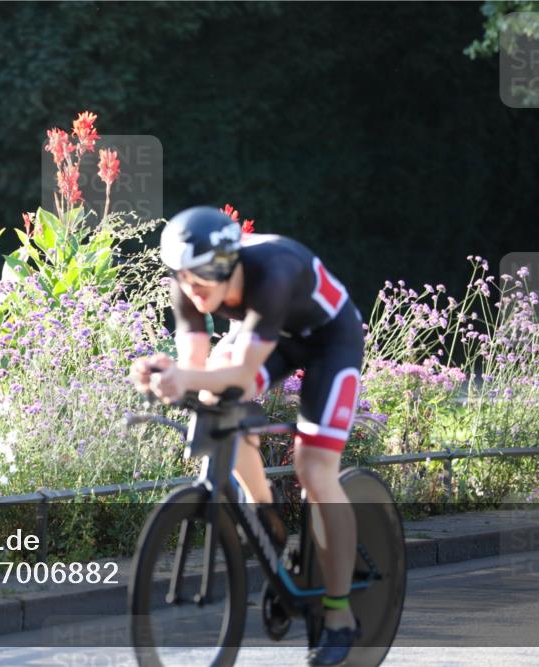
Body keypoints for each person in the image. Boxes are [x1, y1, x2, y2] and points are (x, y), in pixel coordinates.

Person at [130, 206, 365, 666]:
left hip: (329, 341)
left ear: (225, 269)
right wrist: (164, 373)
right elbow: (197, 366)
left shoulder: (271, 272)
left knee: (315, 471)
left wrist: (187, 375)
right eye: (183, 281)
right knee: (216, 400)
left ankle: (340, 616)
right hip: (271, 335)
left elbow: (242, 369)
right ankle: (267, 516)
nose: (191, 292)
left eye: (201, 284)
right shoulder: (186, 282)